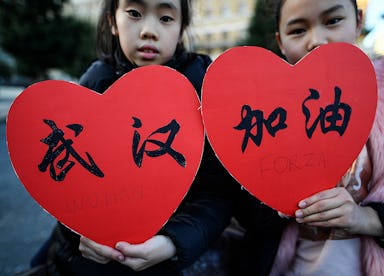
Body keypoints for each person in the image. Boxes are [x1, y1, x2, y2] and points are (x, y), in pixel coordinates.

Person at [28, 0, 237, 275]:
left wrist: (172, 242)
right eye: (135, 14)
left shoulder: (202, 92)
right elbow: (69, 184)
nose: (149, 30)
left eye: (165, 18)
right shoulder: (94, 85)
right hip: (81, 263)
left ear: (182, 26)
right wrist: (80, 232)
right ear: (113, 22)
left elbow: (217, 194)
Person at [268, 0, 384, 275]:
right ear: (280, 41)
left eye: (333, 21)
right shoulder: (265, 111)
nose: (317, 41)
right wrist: (268, 199)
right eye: (298, 30)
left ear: (358, 21)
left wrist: (367, 219)